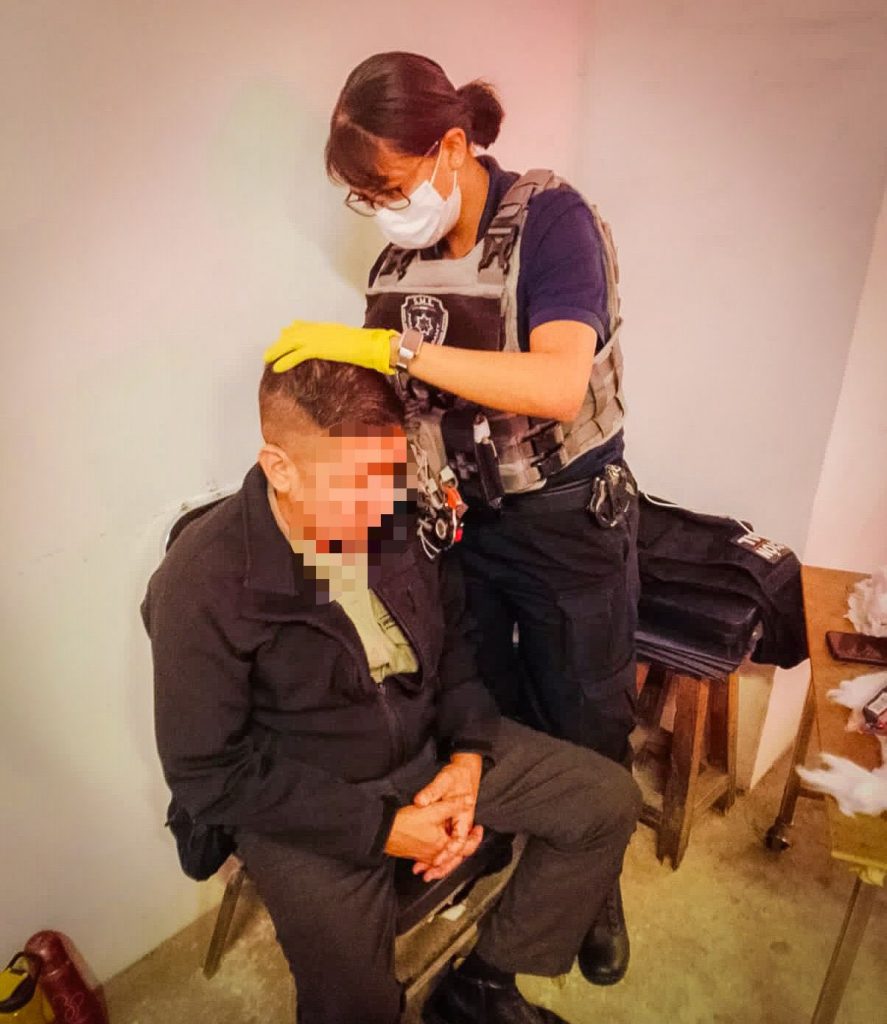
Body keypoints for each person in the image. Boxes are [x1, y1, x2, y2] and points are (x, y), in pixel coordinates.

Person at [263, 51, 640, 983]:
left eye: (392, 187)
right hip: (459, 523)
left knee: (582, 712)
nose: (387, 211)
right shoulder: (400, 262)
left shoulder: (550, 220)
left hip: (562, 523)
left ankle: (594, 890)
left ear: (454, 147)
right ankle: (509, 841)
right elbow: (388, 409)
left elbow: (555, 385)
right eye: (368, 199)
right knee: (487, 704)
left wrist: (390, 349)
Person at [142, 357, 640, 1024]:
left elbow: (455, 640)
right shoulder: (200, 584)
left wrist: (467, 755)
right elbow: (206, 772)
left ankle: (483, 985)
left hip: (428, 745)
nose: (381, 508)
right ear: (280, 468)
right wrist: (384, 830)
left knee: (606, 802)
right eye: (355, 486)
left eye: (390, 477)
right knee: (354, 1005)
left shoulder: (393, 512)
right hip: (313, 800)